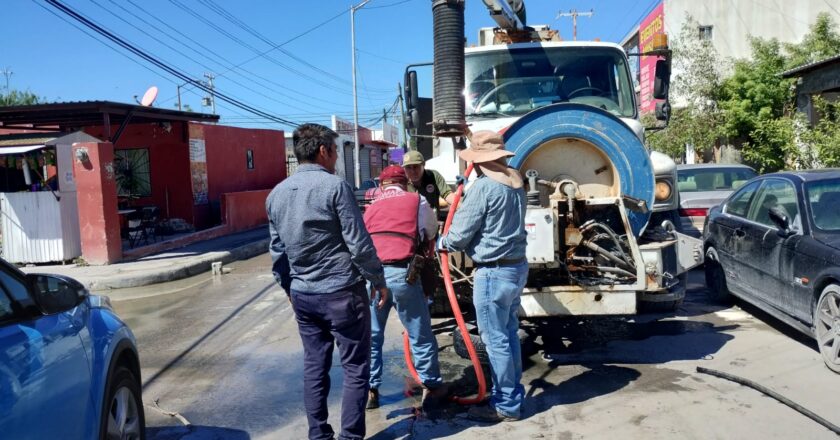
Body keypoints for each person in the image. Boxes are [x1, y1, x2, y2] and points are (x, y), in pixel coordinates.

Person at [267, 123, 389, 440]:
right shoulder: (335, 187)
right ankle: (350, 436)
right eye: (335, 151)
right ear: (324, 151)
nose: (335, 157)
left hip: (304, 296)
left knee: (314, 367)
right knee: (354, 368)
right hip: (342, 295)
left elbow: (277, 253)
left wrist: (288, 288)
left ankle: (319, 435)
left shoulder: (276, 195)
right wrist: (378, 279)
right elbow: (359, 244)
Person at [438, 130, 528, 423]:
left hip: (493, 271)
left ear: (477, 162)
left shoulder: (484, 188)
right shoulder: (516, 183)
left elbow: (459, 236)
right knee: (509, 333)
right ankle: (511, 395)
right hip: (516, 267)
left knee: (495, 340)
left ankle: (505, 405)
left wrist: (441, 243)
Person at [362, 165, 447, 410]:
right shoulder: (417, 201)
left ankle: (370, 390)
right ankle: (431, 386)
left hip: (374, 279)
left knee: (372, 335)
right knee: (419, 333)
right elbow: (430, 231)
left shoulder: (372, 207)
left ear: (382, 185)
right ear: (404, 183)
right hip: (404, 275)